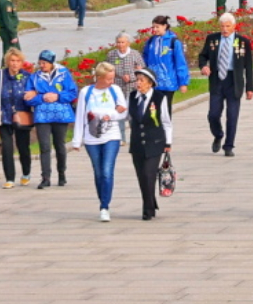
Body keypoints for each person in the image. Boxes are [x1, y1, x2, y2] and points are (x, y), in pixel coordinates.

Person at [71, 62, 128, 221]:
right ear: (100, 77)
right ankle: (102, 200)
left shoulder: (115, 90)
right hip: (92, 137)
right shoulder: (86, 92)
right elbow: (81, 116)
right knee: (98, 172)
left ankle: (104, 206)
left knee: (107, 170)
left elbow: (123, 112)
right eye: (109, 79)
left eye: (113, 78)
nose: (112, 81)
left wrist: (110, 114)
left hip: (112, 135)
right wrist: (77, 140)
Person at [198, 12, 253, 157]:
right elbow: (202, 55)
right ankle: (218, 134)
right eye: (222, 26)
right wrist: (204, 66)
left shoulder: (242, 42)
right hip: (217, 79)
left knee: (232, 114)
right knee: (213, 114)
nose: (224, 29)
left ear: (234, 26)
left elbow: (248, 66)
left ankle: (229, 145)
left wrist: (250, 88)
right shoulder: (212, 39)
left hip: (234, 80)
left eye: (228, 26)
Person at [128, 68, 172, 221]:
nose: (138, 83)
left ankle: (146, 210)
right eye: (137, 80)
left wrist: (168, 142)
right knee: (141, 177)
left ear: (150, 83)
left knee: (149, 174)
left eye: (142, 80)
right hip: (137, 143)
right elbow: (128, 116)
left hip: (155, 142)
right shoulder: (133, 96)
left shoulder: (159, 97)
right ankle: (150, 202)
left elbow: (166, 121)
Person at [0, 48, 34, 188]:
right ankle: (9, 178)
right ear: (7, 62)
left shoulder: (27, 76)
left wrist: (32, 94)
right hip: (5, 116)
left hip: (22, 116)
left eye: (18, 61)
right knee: (7, 148)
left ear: (22, 62)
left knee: (23, 147)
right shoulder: (1, 76)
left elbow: (34, 92)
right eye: (12, 61)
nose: (15, 64)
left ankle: (26, 173)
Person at [142, 15, 189, 112]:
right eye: (153, 27)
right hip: (153, 81)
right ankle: (156, 127)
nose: (155, 29)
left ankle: (166, 127)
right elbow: (145, 58)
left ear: (165, 26)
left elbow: (180, 62)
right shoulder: (151, 41)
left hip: (168, 82)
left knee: (165, 109)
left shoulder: (173, 41)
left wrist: (183, 82)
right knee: (153, 109)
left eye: (157, 27)